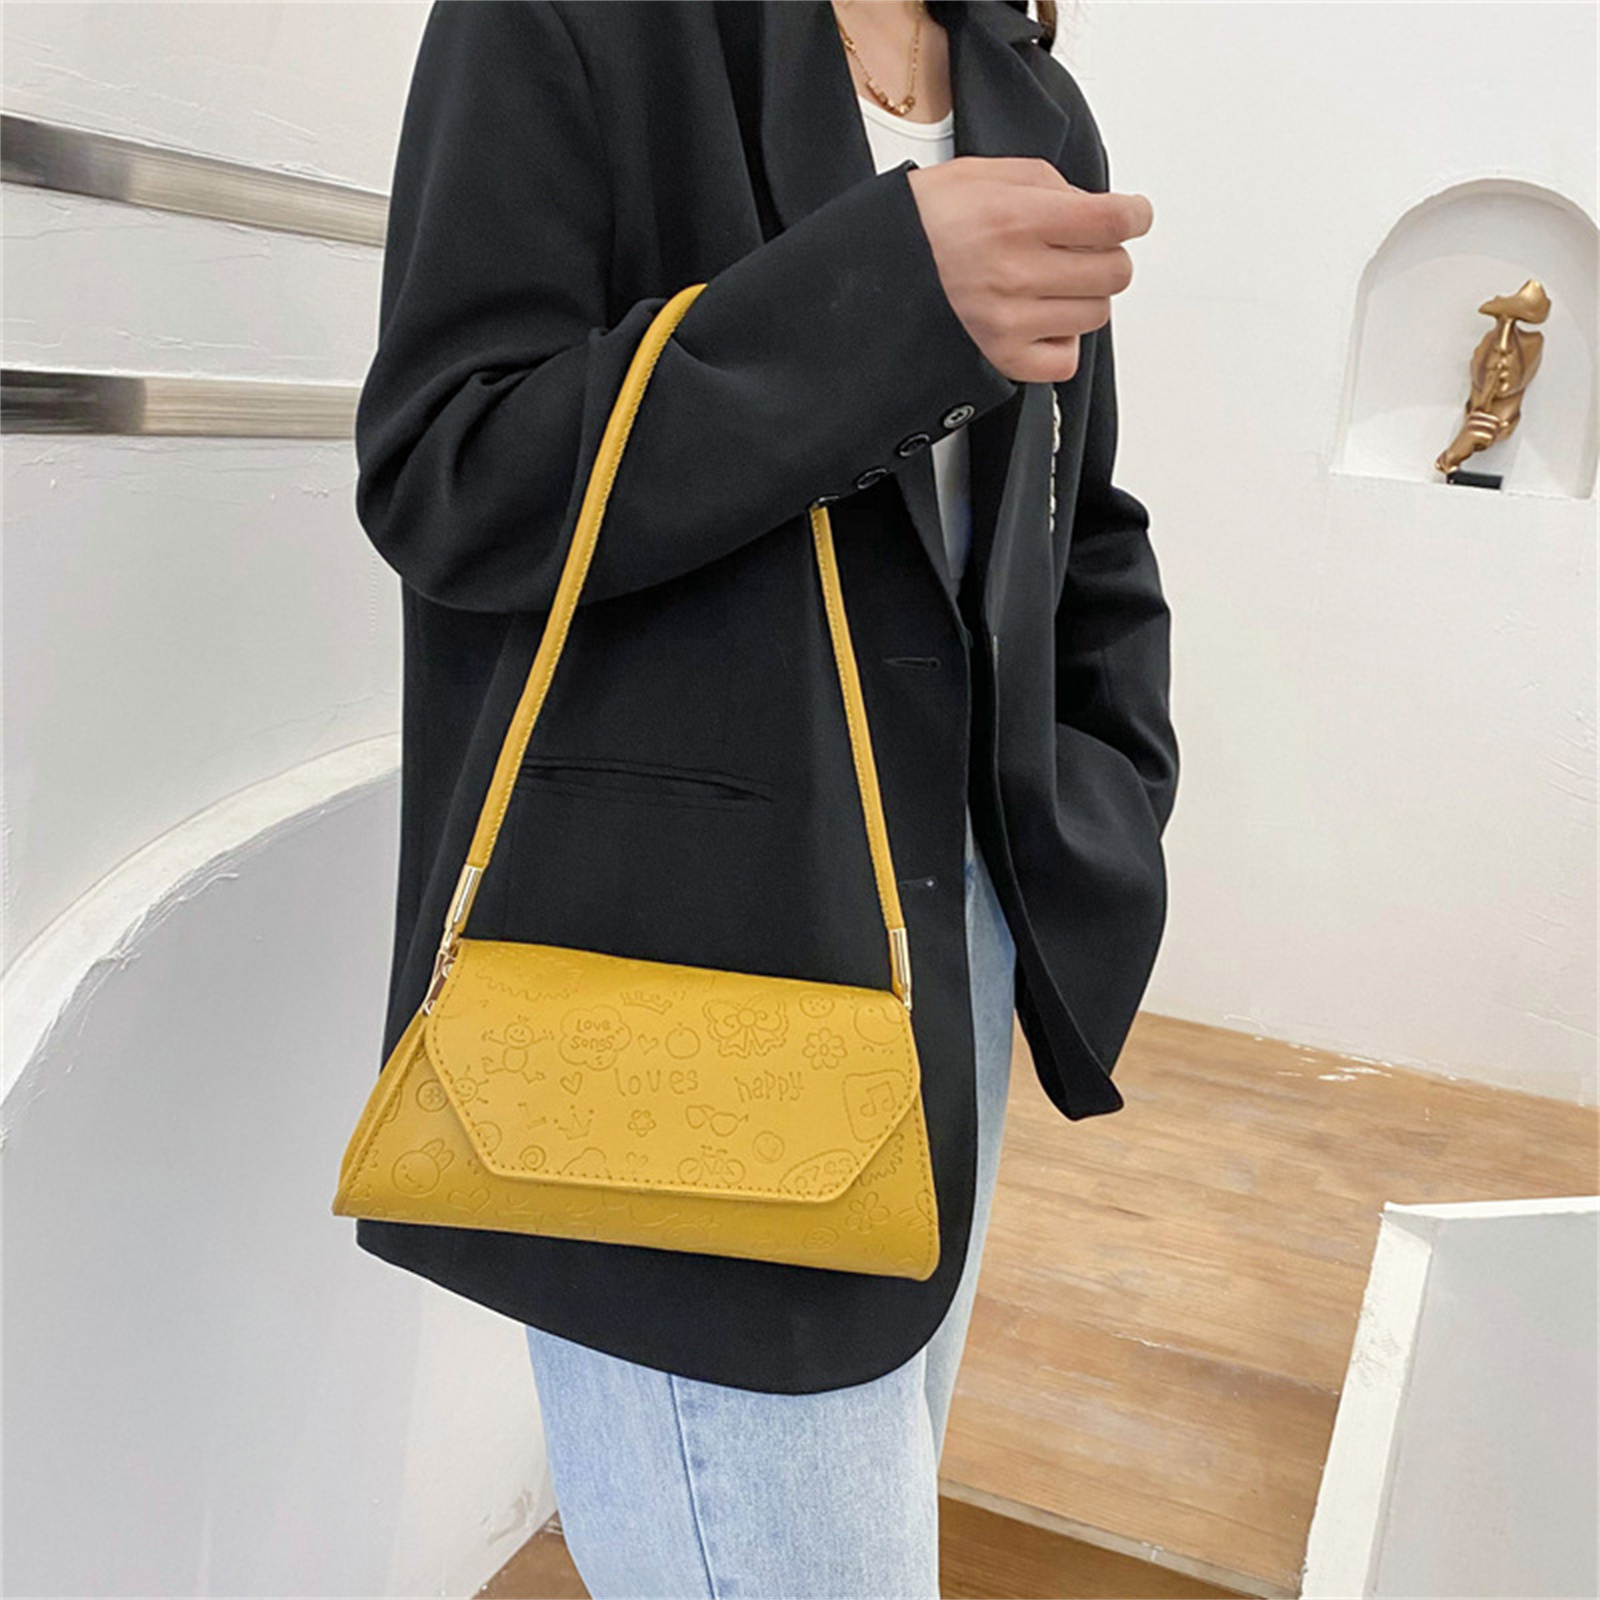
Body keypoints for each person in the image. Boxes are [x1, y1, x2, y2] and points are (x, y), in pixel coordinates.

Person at [350, 2, 1175, 1595]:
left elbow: (1078, 510)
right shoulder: (576, 19)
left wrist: (1110, 777)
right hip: (680, 971)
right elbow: (449, 470)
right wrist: (882, 298)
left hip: (953, 939)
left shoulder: (1029, 95)